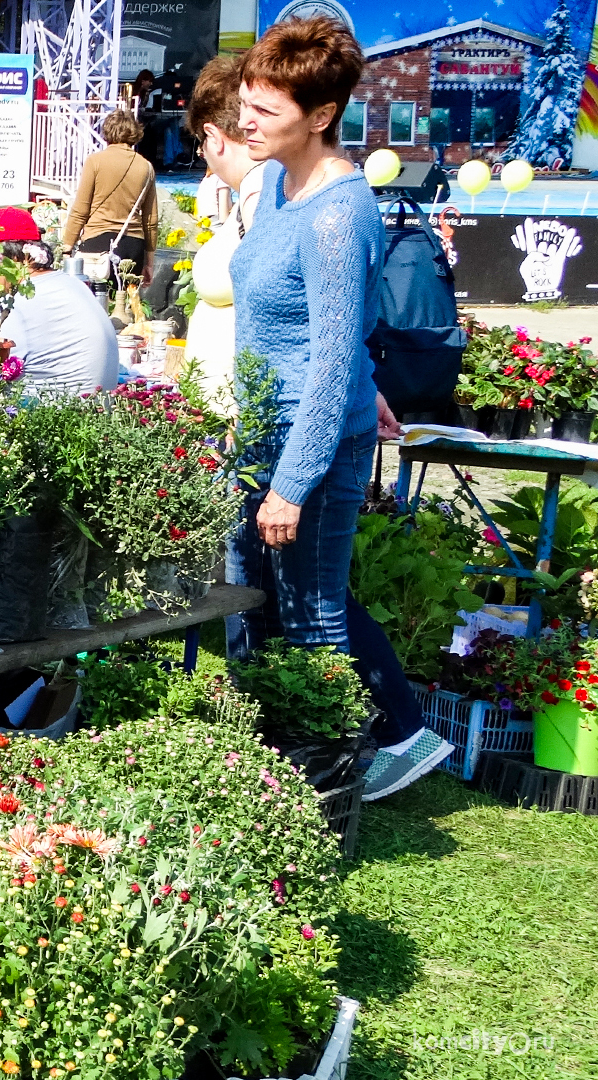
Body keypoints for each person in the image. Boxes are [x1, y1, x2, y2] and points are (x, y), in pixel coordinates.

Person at [226, 15, 450, 801]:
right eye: (246, 103)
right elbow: (334, 326)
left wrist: (291, 483)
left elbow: (324, 363)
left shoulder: (335, 213)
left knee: (313, 611)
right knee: (251, 594)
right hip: (270, 428)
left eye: (265, 109)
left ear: (321, 116)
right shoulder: (285, 183)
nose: (244, 120)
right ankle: (269, 751)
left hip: (309, 441)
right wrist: (368, 379)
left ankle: (332, 774)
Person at [181, 52, 267, 411]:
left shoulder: (261, 191)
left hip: (243, 413)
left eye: (200, 147)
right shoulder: (254, 190)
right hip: (230, 408)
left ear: (213, 137)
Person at [0, 207, 120, 391]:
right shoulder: (70, 284)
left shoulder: (15, 303)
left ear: (17, 258)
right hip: (92, 409)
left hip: (51, 413)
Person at [63, 109, 158, 286]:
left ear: (107, 132)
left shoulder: (95, 161)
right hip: (133, 244)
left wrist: (67, 247)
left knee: (95, 301)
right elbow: (150, 220)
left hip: (98, 241)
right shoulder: (146, 167)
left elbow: (80, 210)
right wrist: (149, 263)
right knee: (125, 304)